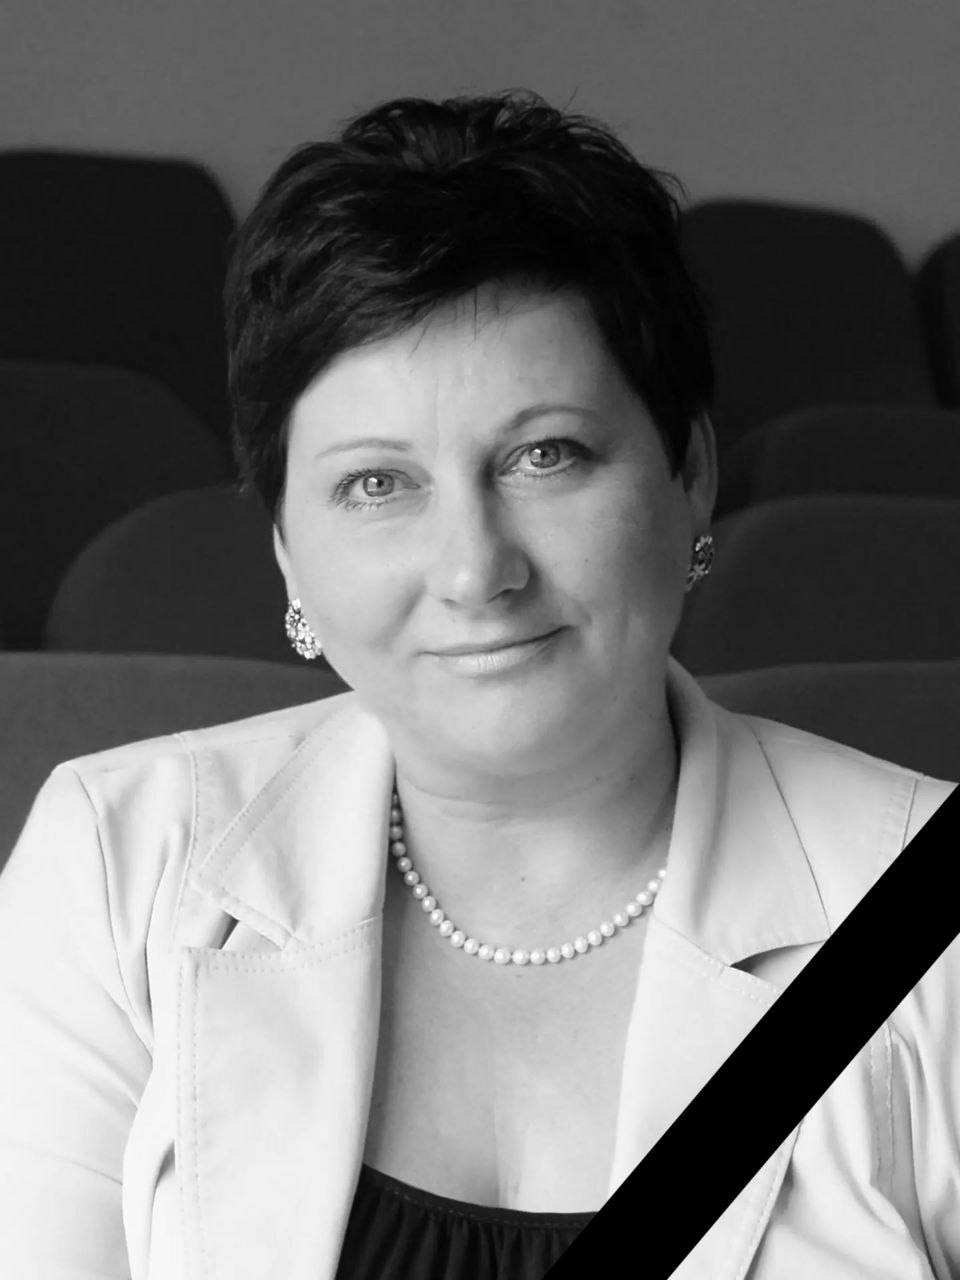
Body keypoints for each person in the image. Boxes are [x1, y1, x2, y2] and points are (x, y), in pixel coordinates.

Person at [0, 91, 956, 1280]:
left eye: (545, 455)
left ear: (691, 473)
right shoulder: (113, 867)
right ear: (287, 548)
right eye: (376, 484)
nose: (475, 571)